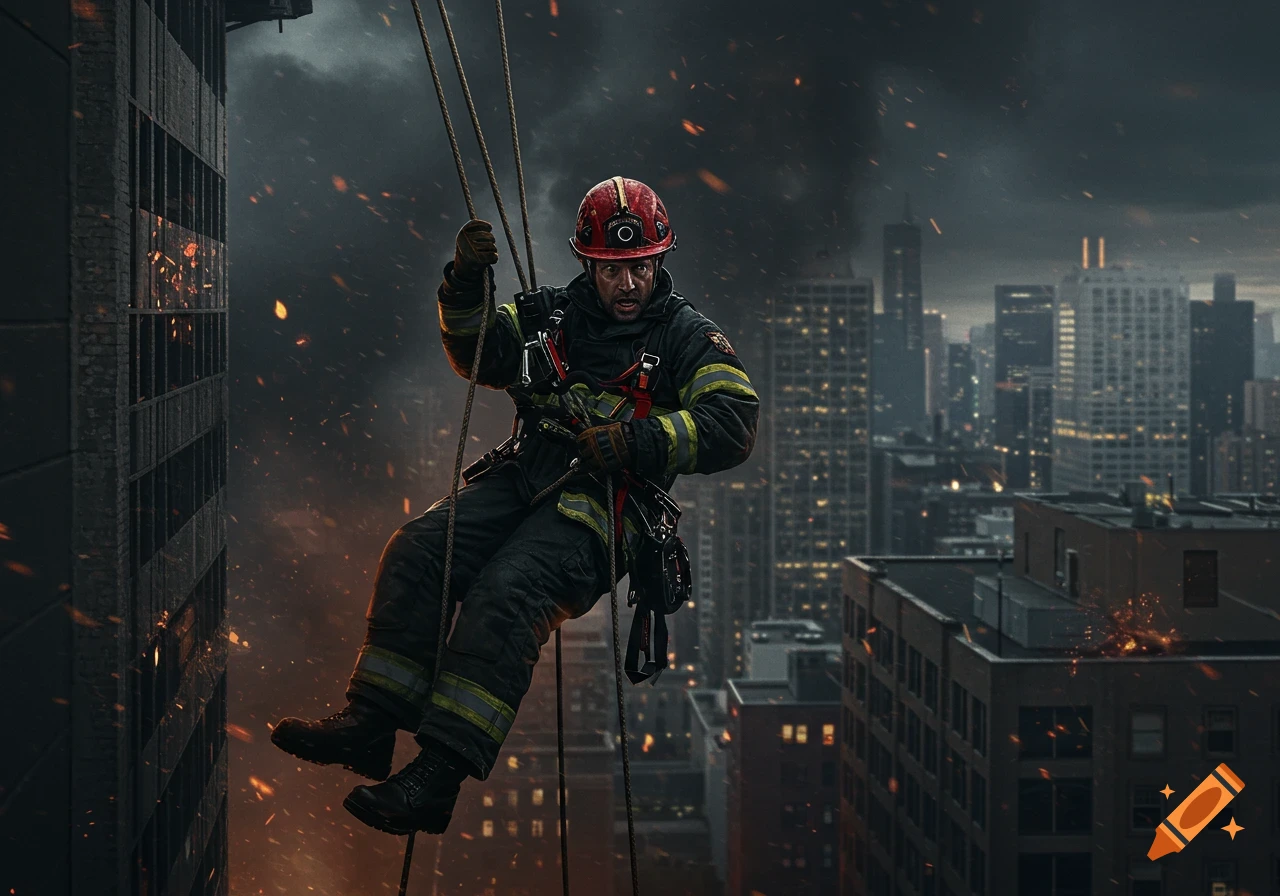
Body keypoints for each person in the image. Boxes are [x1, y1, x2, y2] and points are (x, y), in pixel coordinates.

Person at [271, 176, 759, 835]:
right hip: (526, 473)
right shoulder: (551, 315)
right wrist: (465, 285)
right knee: (419, 549)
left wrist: (641, 439)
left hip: (603, 507)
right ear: (589, 262)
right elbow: (477, 352)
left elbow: (733, 422)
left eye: (640, 267)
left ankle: (437, 779)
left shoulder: (684, 336)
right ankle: (370, 723)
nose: (629, 285)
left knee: (510, 593)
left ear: (660, 260)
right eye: (614, 270)